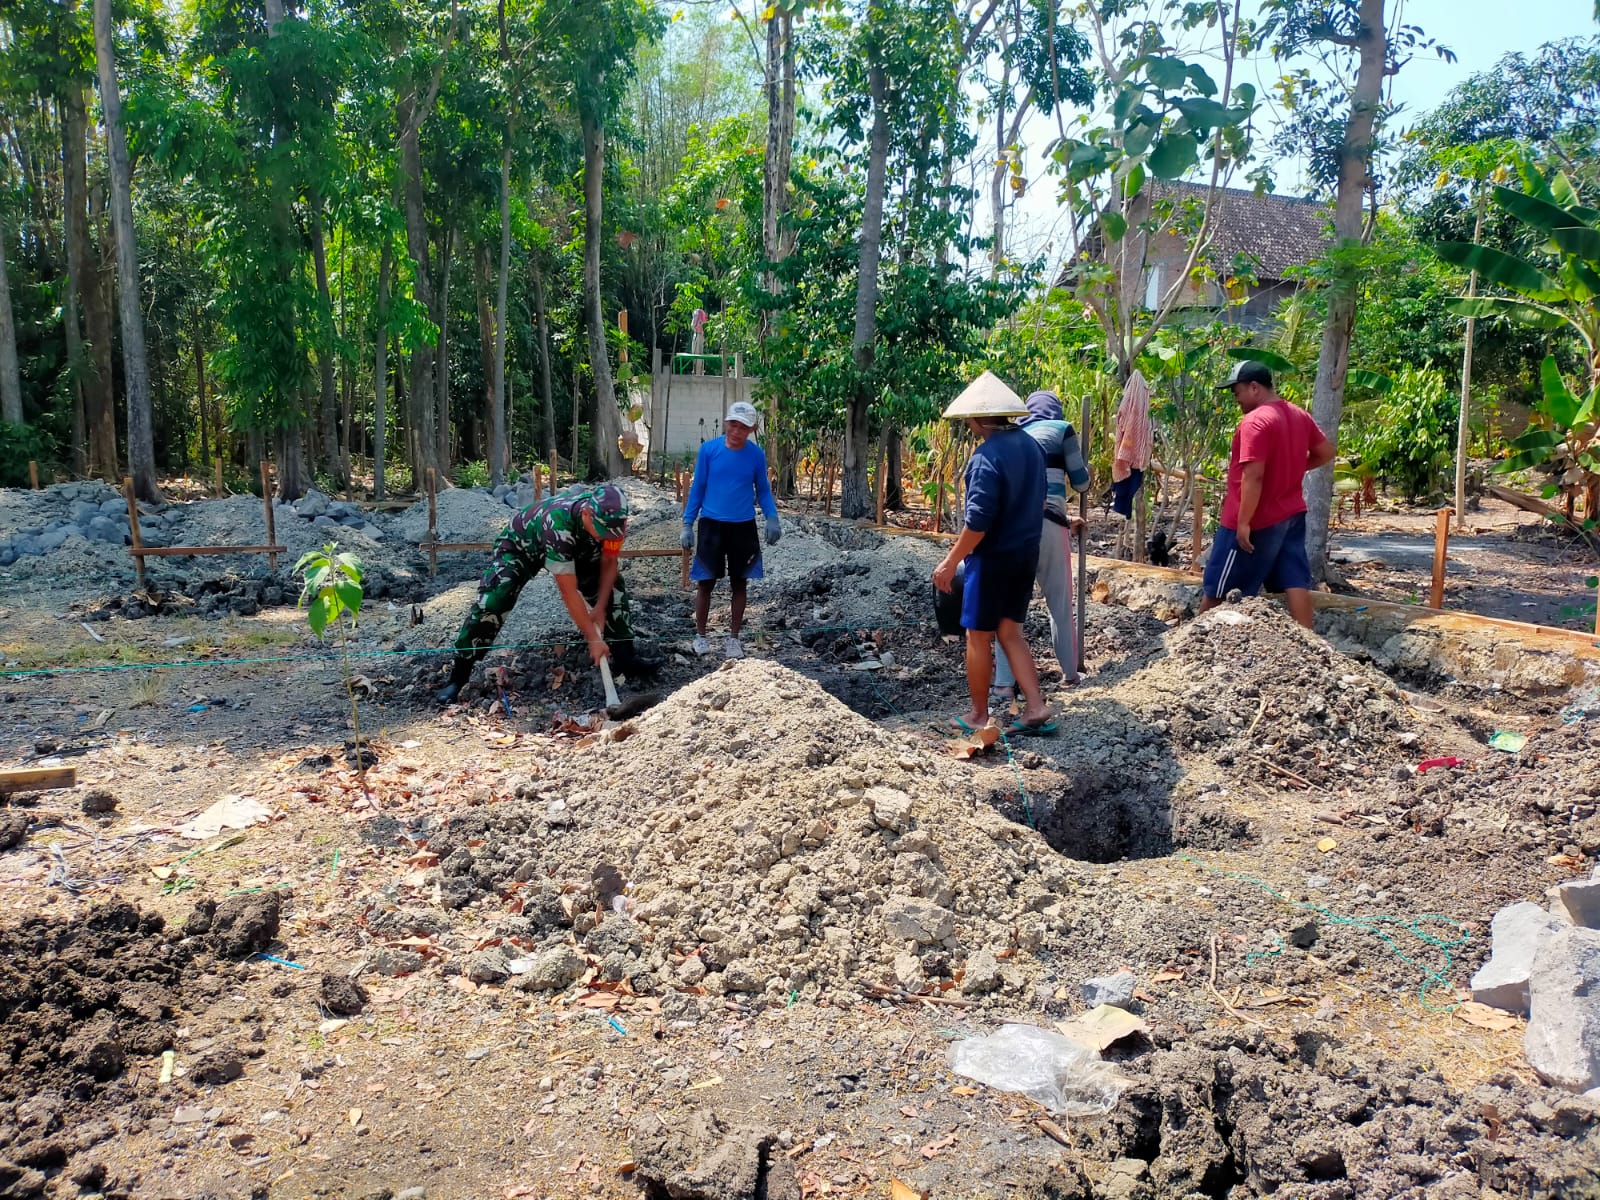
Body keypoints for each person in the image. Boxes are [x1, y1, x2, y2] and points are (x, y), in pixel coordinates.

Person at [436, 482, 660, 703]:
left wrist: (600, 607)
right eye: (601, 532)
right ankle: (459, 675)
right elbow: (568, 592)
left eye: (610, 534)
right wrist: (592, 638)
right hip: (521, 548)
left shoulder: (613, 525)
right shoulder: (559, 525)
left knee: (614, 594)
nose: (605, 537)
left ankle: (625, 660)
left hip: (580, 549)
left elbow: (609, 561)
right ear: (586, 514)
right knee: (495, 599)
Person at [932, 372, 1056, 737]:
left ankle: (978, 714)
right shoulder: (1032, 447)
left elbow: (978, 523)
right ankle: (1035, 706)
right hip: (1024, 553)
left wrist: (951, 560)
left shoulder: (986, 456)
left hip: (993, 559)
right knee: (1010, 631)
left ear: (976, 419)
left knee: (977, 635)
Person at [1201, 360, 1337, 629]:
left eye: (1237, 392)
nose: (1236, 399)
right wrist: (1293, 467)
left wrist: (1243, 522)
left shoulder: (1255, 421)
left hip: (1257, 518)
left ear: (1254, 388)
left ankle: (1193, 642)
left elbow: (1254, 475)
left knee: (1218, 586)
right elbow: (1326, 453)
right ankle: (1309, 642)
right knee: (1295, 581)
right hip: (1291, 513)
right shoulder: (1299, 415)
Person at [991, 390, 1090, 699]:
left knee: (1007, 610)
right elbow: (1081, 482)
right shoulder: (1060, 429)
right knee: (1059, 603)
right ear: (1055, 410)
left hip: (1012, 529)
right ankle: (1070, 674)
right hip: (1048, 528)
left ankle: (1004, 685)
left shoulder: (1012, 435)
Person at [681, 400, 781, 659]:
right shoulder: (709, 451)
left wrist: (772, 517)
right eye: (733, 425)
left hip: (742, 526)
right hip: (712, 525)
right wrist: (687, 524)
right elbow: (698, 488)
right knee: (705, 583)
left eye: (743, 428)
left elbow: (763, 489)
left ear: (752, 429)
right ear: (726, 423)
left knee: (740, 582)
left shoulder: (756, 455)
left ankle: (733, 639)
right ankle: (700, 635)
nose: (736, 432)